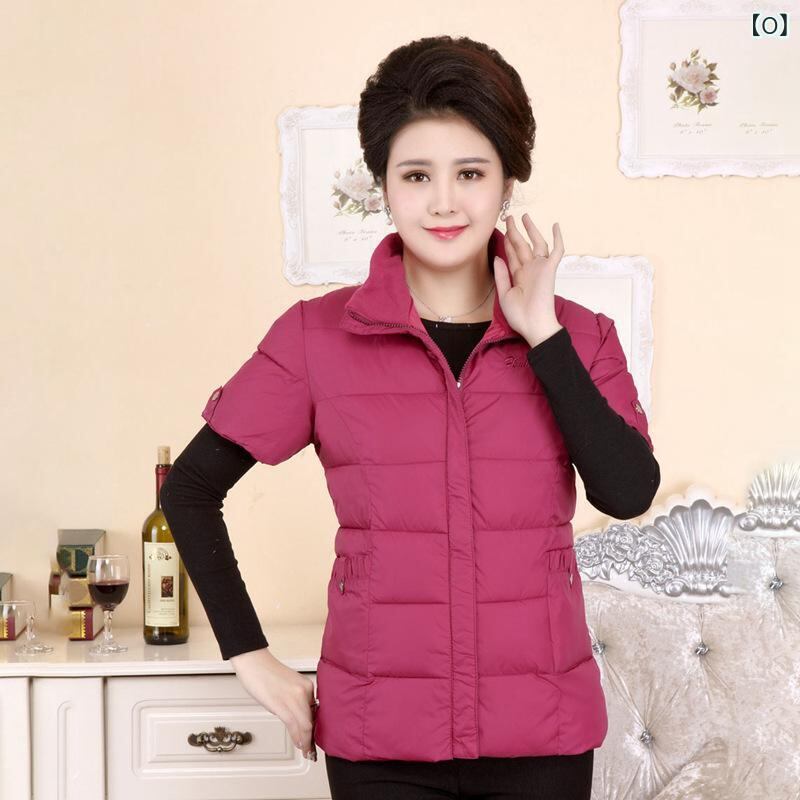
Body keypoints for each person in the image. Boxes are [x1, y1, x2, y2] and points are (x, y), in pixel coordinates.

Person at [160, 34, 660, 800]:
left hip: (543, 738)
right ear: (384, 187)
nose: (444, 202)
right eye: (417, 175)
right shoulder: (317, 338)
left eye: (471, 173)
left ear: (508, 183)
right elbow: (190, 490)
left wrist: (544, 338)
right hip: (378, 741)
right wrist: (249, 656)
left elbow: (627, 493)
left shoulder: (579, 337)